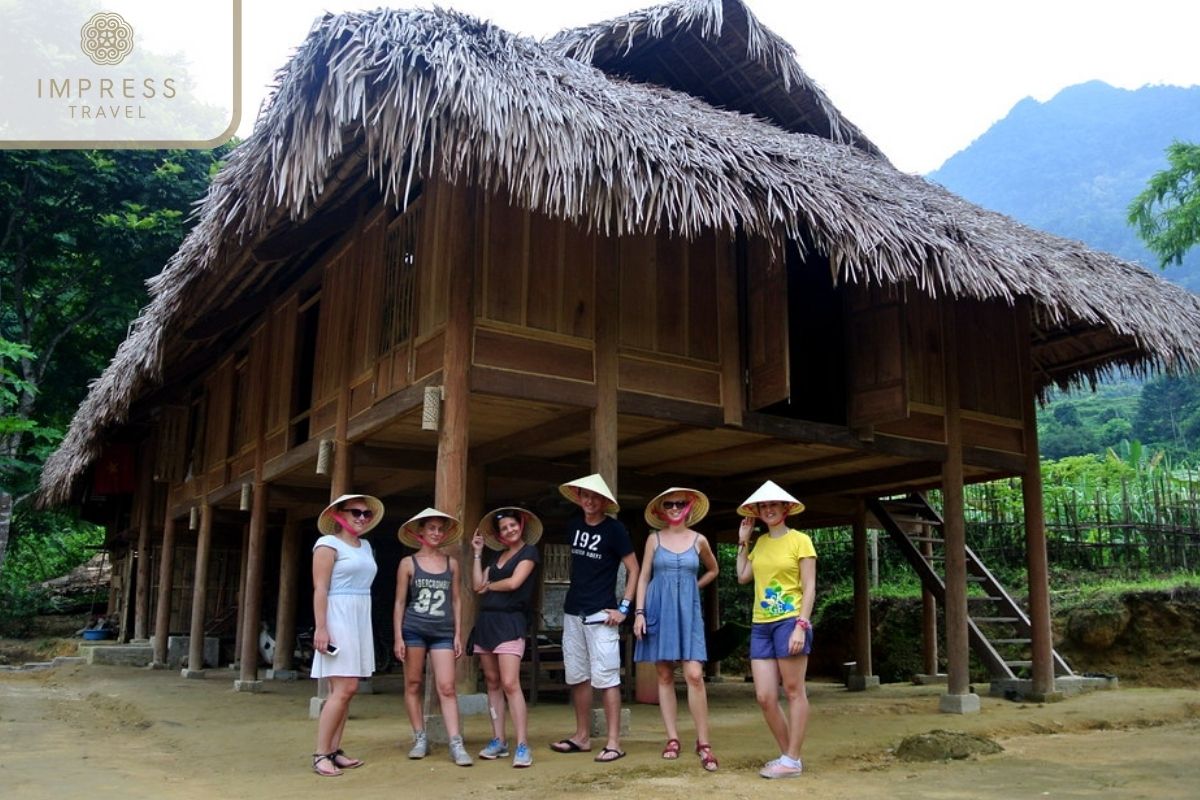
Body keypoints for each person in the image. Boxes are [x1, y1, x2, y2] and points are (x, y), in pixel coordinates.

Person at [549, 473, 639, 763]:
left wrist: (624, 608)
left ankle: (614, 742)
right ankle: (582, 736)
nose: (589, 501)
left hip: (602, 614)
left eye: (595, 497)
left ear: (603, 502)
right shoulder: (573, 525)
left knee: (607, 678)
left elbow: (634, 569)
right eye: (585, 496)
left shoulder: (615, 530)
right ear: (579, 497)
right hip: (573, 610)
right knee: (577, 676)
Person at [734, 480, 817, 780]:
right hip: (761, 625)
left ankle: (791, 758)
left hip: (790, 621)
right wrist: (743, 540)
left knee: (794, 691)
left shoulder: (800, 541)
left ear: (786, 508)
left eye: (773, 505)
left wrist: (801, 626)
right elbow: (743, 576)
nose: (768, 509)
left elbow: (809, 587)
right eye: (763, 506)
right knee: (765, 696)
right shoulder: (761, 544)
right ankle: (789, 757)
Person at [633, 487, 720, 771]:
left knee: (694, 674)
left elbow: (713, 569)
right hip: (658, 609)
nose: (673, 508)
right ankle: (672, 739)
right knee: (664, 673)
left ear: (689, 506)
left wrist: (692, 588)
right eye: (668, 504)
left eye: (679, 503)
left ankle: (703, 742)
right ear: (661, 509)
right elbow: (644, 576)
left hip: (689, 613)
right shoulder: (653, 539)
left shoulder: (700, 540)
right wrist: (639, 613)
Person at [310, 493, 384, 777]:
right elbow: (320, 588)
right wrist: (321, 627)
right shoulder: (327, 544)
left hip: (359, 615)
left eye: (366, 514)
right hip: (337, 614)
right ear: (339, 515)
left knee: (345, 692)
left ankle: (333, 750)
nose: (362, 518)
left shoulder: (366, 546)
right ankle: (320, 754)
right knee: (345, 687)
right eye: (356, 512)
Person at [393, 507, 473, 767]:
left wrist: (458, 634)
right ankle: (419, 737)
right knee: (413, 683)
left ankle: (455, 742)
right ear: (420, 533)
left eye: (440, 529)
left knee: (447, 687)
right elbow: (400, 602)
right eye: (431, 528)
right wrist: (398, 637)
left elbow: (457, 600)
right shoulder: (408, 563)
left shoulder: (451, 564)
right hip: (414, 628)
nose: (436, 533)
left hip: (443, 632)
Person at [469, 507, 543, 768]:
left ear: (521, 526)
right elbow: (477, 585)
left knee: (510, 683)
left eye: (513, 525)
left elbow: (514, 583)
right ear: (499, 535)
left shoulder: (529, 552)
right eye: (504, 528)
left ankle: (523, 744)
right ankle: (498, 739)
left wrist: (488, 587)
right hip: (487, 622)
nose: (509, 530)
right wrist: (478, 553)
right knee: (491, 682)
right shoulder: (496, 558)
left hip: (510, 621)